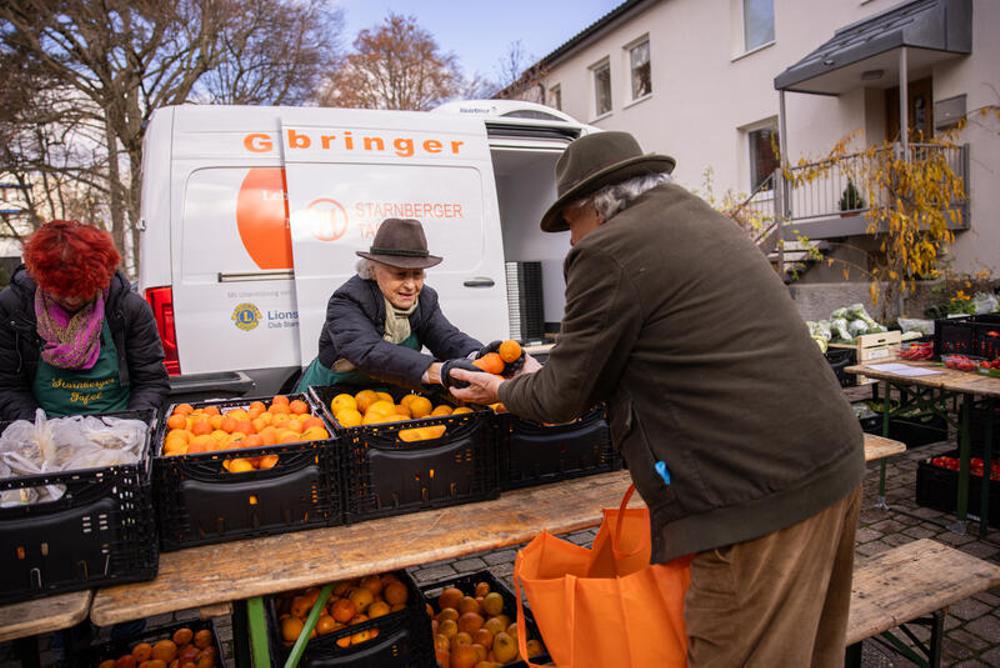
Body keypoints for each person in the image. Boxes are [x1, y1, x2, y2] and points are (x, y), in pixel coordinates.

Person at [449, 132, 865, 666]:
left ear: (594, 207)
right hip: (831, 463)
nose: (571, 242)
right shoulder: (699, 219)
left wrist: (502, 389)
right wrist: (546, 375)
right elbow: (642, 349)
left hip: (754, 499)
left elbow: (559, 399)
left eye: (570, 225)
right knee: (809, 653)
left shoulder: (607, 250)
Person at [0, 220, 170, 420]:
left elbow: (151, 382)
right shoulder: (14, 308)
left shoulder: (129, 308)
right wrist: (41, 434)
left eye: (83, 291)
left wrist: (129, 426)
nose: (72, 299)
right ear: (41, 279)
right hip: (46, 435)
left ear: (101, 279)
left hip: (119, 429)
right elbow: (7, 387)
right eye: (61, 292)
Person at [294, 217, 484, 393]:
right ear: (373, 270)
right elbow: (368, 351)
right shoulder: (347, 300)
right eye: (400, 274)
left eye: (417, 274)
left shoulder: (426, 299)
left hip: (386, 397)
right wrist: (438, 371)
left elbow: (447, 338)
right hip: (333, 392)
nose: (410, 285)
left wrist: (479, 357)